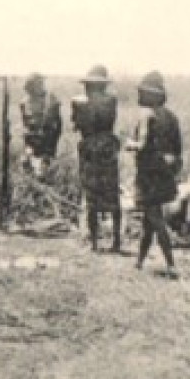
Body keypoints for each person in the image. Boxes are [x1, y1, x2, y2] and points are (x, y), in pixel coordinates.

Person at [126, 71, 183, 277]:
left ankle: (171, 264)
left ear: (152, 95)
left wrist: (129, 144)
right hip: (164, 174)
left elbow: (140, 145)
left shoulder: (145, 115)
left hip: (148, 175)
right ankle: (139, 263)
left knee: (155, 219)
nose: (140, 95)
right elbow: (178, 150)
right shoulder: (171, 117)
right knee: (148, 221)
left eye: (143, 92)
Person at [72, 65, 122, 252]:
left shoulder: (78, 102)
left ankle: (94, 242)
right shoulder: (111, 101)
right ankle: (116, 241)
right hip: (108, 147)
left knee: (91, 195)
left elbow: (76, 124)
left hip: (89, 149)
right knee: (112, 194)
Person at [19, 73, 63, 176]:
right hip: (31, 140)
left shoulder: (51, 99)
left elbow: (58, 123)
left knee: (43, 171)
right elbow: (25, 122)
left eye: (41, 83)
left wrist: (52, 145)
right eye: (37, 83)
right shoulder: (24, 102)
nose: (41, 85)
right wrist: (28, 135)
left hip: (47, 140)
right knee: (27, 164)